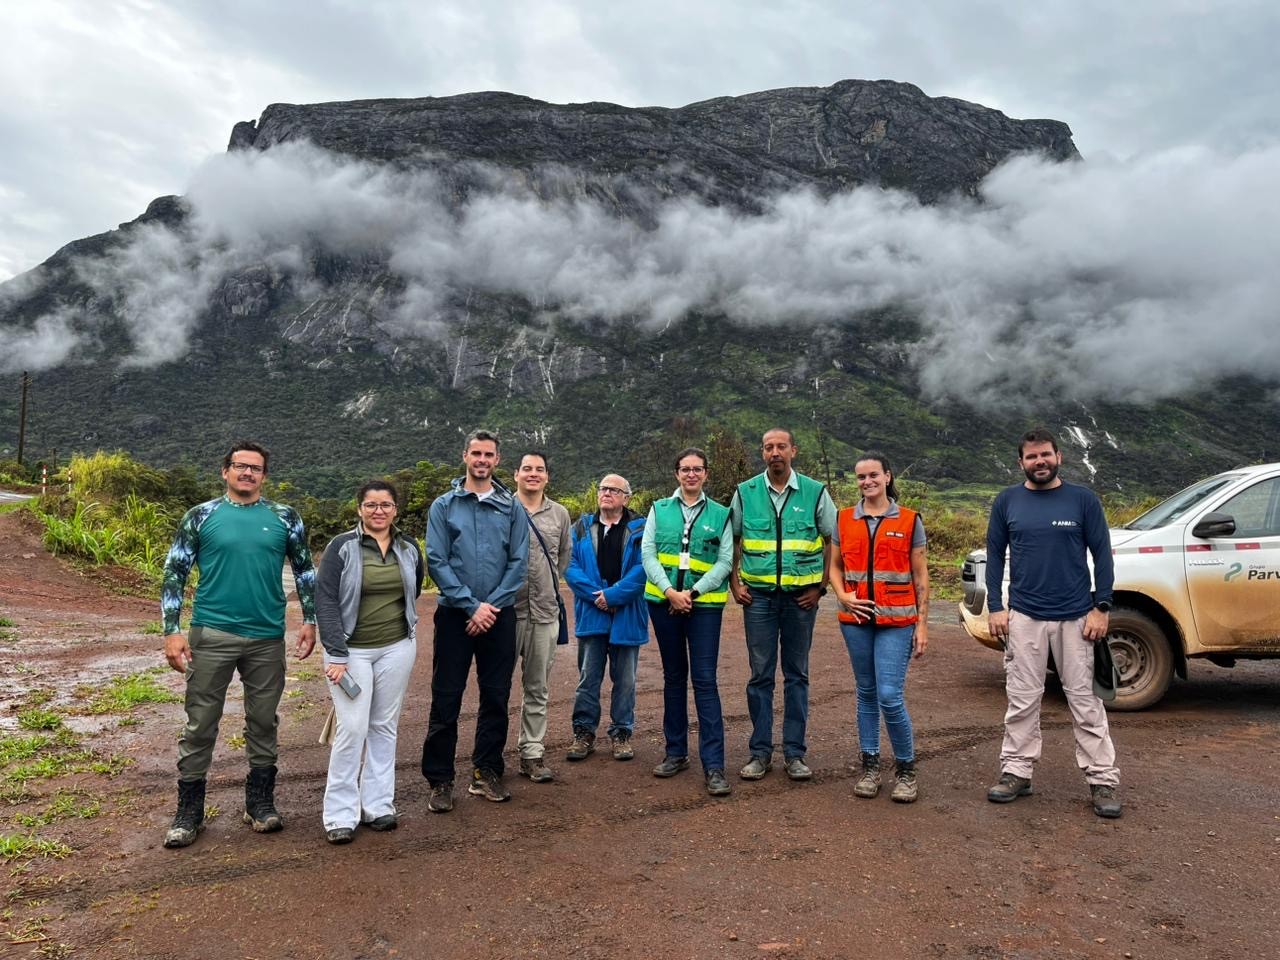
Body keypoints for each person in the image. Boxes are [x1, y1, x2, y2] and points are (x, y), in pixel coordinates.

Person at [159, 441, 317, 848]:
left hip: (266, 636)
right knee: (200, 723)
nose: (247, 473)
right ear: (225, 471)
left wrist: (310, 620)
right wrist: (172, 629)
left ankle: (259, 802)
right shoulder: (201, 516)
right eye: (240, 466)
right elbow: (175, 571)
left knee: (263, 720)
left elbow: (304, 570)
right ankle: (189, 811)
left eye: (255, 468)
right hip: (212, 633)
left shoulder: (285, 517)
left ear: (264, 475)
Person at [985, 428, 1121, 818]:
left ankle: (1102, 779)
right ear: (1021, 463)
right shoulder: (1007, 501)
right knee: (1022, 698)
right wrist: (995, 606)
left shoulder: (1083, 500)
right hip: (1025, 616)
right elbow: (995, 555)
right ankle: (1017, 771)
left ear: (1059, 456)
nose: (1039, 461)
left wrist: (1102, 607)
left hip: (1076, 617)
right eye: (1031, 456)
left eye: (1045, 454)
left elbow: (1103, 556)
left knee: (1086, 702)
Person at [421, 430, 529, 811]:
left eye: (489, 454)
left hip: (499, 615)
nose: (482, 460)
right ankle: (440, 780)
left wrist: (490, 607)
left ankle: (487, 771)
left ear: (497, 460)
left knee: (496, 695)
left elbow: (519, 562)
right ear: (464, 456)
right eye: (476, 453)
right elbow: (437, 560)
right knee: (446, 696)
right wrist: (471, 606)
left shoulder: (511, 507)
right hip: (455, 616)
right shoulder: (444, 506)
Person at [315, 480, 423, 843]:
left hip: (397, 647)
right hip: (350, 652)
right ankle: (339, 814)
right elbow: (325, 599)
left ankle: (378, 805)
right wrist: (336, 653)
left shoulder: (408, 547)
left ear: (396, 510)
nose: (379, 511)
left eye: (386, 505)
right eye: (371, 505)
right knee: (352, 727)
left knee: (384, 725)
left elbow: (414, 588)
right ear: (359, 508)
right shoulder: (342, 546)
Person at [729, 428, 836, 782]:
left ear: (793, 450)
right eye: (768, 447)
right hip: (758, 599)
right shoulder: (746, 492)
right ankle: (760, 753)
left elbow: (833, 541)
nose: (775, 452)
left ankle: (794, 753)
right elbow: (733, 540)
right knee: (760, 675)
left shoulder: (815, 492)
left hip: (801, 600)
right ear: (762, 453)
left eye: (781, 447)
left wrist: (821, 588)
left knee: (797, 675)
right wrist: (734, 584)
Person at [828, 453, 929, 803]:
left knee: (889, 695)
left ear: (887, 476)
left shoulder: (910, 520)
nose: (867, 481)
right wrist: (843, 595)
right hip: (856, 621)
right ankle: (870, 767)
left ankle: (906, 771)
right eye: (861, 477)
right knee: (866, 692)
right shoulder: (843, 519)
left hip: (897, 622)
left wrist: (922, 625)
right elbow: (835, 567)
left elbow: (920, 576)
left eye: (873, 475)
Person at [641, 448, 734, 796]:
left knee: (705, 681)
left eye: (697, 469)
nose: (691, 474)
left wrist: (691, 593)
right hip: (663, 604)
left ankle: (714, 765)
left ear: (706, 473)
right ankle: (675, 752)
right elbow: (647, 553)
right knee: (674, 677)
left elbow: (725, 561)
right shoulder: (659, 509)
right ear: (676, 473)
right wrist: (669, 592)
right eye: (685, 469)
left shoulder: (722, 514)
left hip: (703, 607)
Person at [564, 474, 648, 762]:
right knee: (588, 678)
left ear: (627, 497)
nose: (606, 493)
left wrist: (614, 596)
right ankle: (583, 732)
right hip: (592, 613)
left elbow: (644, 567)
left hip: (627, 613)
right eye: (603, 488)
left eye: (614, 489)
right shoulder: (580, 527)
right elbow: (570, 566)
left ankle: (621, 733)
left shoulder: (641, 528)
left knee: (625, 681)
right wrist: (598, 597)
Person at [511, 451, 572, 783]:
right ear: (516, 474)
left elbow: (562, 558)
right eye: (527, 469)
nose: (533, 474)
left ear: (547, 476)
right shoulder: (502, 508)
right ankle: (488, 760)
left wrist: (546, 586)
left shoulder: (559, 514)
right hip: (507, 613)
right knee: (495, 688)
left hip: (546, 612)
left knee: (537, 687)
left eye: (539, 469)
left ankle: (532, 753)